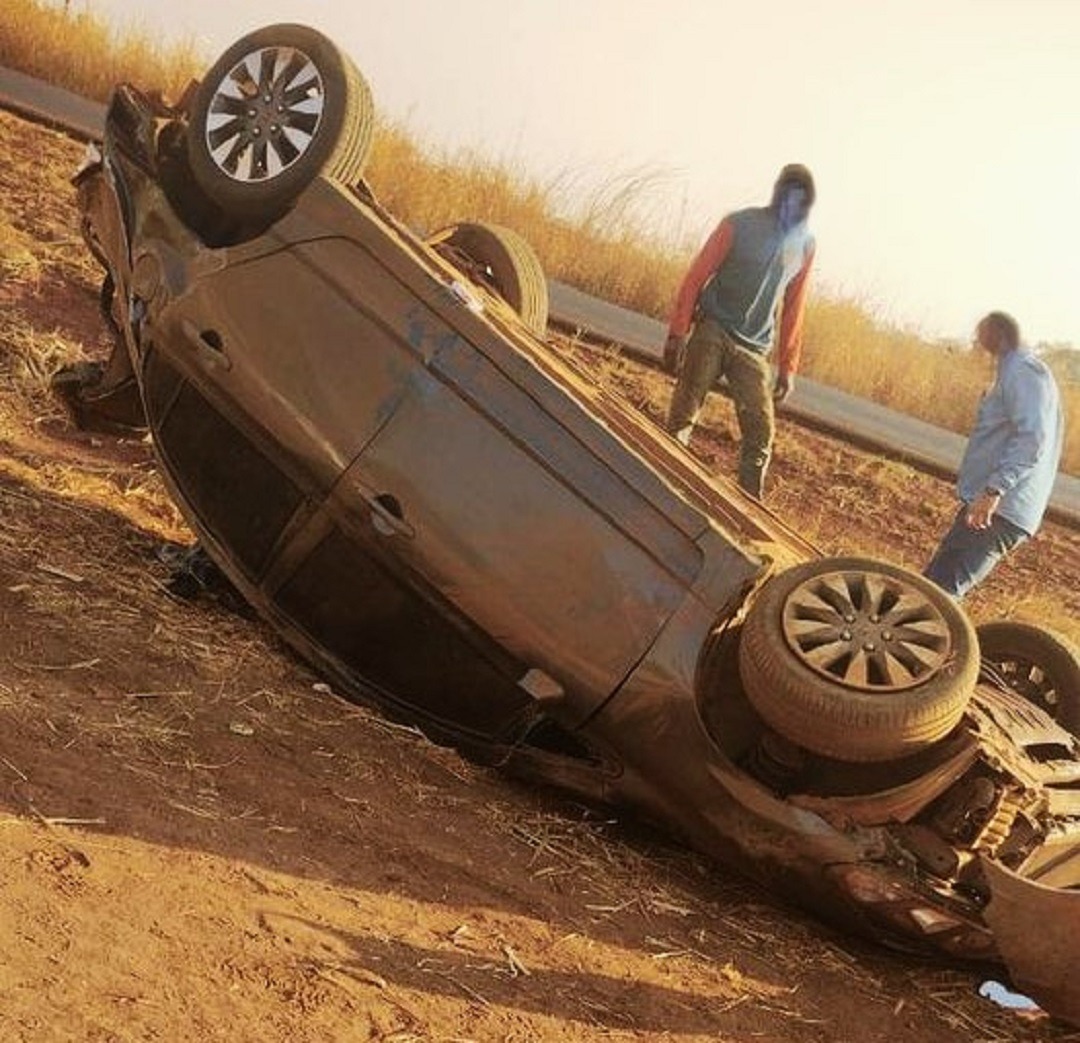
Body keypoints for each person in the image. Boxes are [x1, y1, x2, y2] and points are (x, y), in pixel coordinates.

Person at [663, 163, 816, 498]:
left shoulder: (805, 246)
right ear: (778, 196)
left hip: (754, 349)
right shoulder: (738, 225)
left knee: (761, 432)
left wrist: (788, 368)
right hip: (713, 330)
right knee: (683, 415)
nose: (794, 209)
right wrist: (678, 333)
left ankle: (748, 504)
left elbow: (794, 309)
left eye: (801, 203)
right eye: (789, 200)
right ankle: (663, 484)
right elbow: (695, 278)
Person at [924, 311, 1063, 599]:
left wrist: (994, 489)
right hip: (990, 506)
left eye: (980, 337)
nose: (976, 345)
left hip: (998, 510)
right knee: (931, 590)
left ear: (998, 335)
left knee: (940, 597)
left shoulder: (1023, 371)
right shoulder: (1013, 371)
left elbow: (1032, 439)